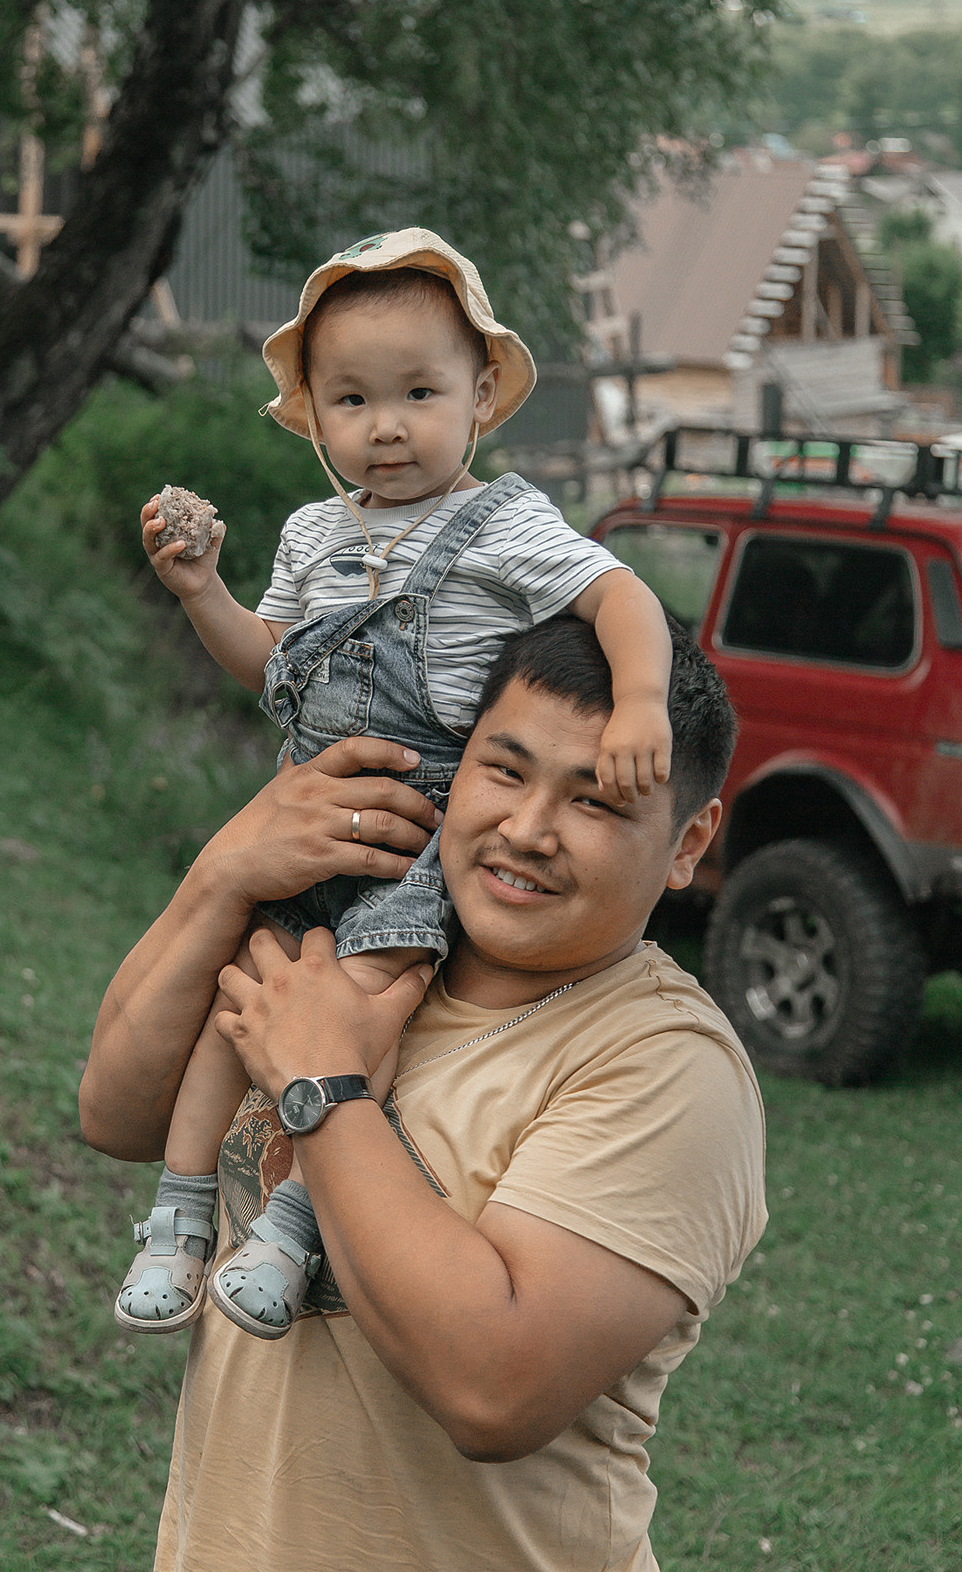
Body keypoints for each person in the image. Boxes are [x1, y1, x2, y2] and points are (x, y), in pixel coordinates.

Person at [80, 615, 766, 1572]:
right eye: (504, 771)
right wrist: (225, 872)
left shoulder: (667, 1067)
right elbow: (114, 1113)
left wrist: (322, 1084)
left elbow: (493, 1390)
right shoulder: (343, 944)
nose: (526, 831)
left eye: (596, 802)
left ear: (689, 841)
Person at [117, 228, 675, 1339]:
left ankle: (291, 1225)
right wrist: (201, 593)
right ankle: (178, 1219)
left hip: (424, 824)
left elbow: (619, 595)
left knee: (365, 1001)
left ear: (480, 399)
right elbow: (271, 663)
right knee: (241, 1000)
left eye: (419, 393)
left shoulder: (507, 521)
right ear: (314, 417)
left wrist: (641, 702)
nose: (386, 426)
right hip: (309, 806)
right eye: (352, 399)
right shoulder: (311, 534)